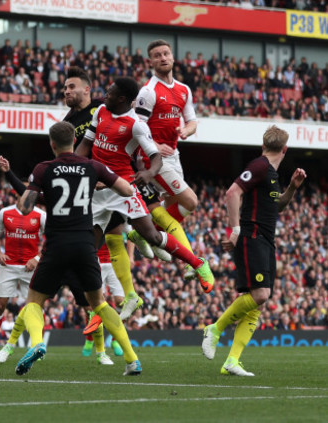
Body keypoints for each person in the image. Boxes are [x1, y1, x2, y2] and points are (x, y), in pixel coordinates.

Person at [75, 77, 214, 325]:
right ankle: (102, 309)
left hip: (123, 189)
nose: (105, 92)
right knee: (86, 252)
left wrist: (149, 173)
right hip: (98, 193)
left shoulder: (136, 125)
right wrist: (73, 167)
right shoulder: (101, 111)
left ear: (122, 99)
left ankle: (197, 262)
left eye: (110, 91)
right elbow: (85, 145)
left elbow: (155, 157)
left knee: (151, 235)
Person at [0, 66, 113, 360]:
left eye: (70, 86)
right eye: (63, 88)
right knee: (92, 301)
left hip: (95, 204)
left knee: (40, 299)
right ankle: (107, 350)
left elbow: (29, 199)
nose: (65, 92)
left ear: (88, 89)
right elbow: (36, 194)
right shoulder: (66, 123)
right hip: (84, 212)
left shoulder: (103, 110)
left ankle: (97, 347)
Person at [12, 121, 142, 377]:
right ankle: (132, 359)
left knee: (34, 302)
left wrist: (34, 189)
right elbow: (126, 189)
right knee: (100, 304)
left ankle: (37, 343)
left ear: (52, 144)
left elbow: (25, 208)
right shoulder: (93, 166)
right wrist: (102, 184)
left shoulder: (43, 169)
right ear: (75, 141)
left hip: (57, 244)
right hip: (85, 243)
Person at [202, 126, 306, 376]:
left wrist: (292, 187)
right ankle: (215, 329)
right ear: (285, 149)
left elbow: (278, 205)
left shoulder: (270, 173)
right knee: (260, 295)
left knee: (257, 303)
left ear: (263, 145)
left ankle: (232, 361)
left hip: (266, 240)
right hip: (252, 236)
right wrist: (235, 230)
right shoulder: (259, 166)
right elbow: (232, 192)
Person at [132, 39, 199, 273]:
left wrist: (185, 130)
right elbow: (136, 125)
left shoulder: (184, 90)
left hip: (174, 154)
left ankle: (143, 234)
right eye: (157, 55)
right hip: (153, 157)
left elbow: (192, 121)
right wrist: (155, 145)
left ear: (172, 57)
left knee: (172, 210)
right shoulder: (148, 91)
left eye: (166, 53)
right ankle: (190, 260)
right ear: (151, 61)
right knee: (190, 201)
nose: (162, 58)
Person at [0, 199, 46, 361]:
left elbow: (51, 239)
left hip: (30, 267)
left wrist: (36, 258)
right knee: (0, 306)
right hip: (8, 266)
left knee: (34, 307)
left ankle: (37, 345)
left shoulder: (41, 215)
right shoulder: (5, 213)